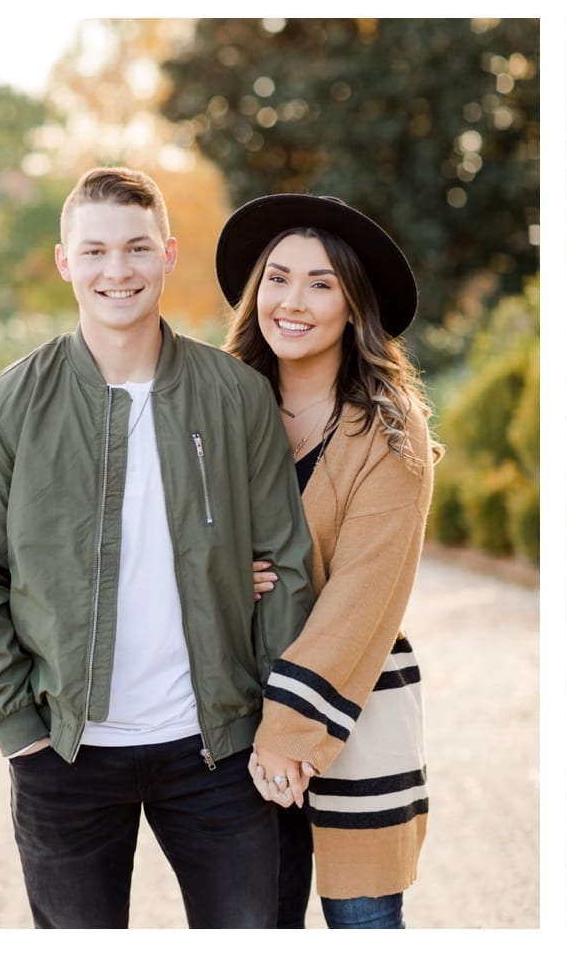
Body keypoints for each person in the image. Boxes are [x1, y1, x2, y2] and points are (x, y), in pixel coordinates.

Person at [0, 166, 316, 928]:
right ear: (64, 260)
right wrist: (21, 731)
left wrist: (278, 720)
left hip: (217, 751)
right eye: (97, 250)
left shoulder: (234, 394)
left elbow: (290, 562)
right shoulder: (7, 406)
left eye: (137, 248)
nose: (118, 271)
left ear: (169, 255)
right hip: (65, 757)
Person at [217, 193, 440, 929]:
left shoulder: (388, 424)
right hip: (234, 714)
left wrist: (289, 730)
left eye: (321, 283)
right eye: (278, 278)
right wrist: (219, 573)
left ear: (353, 306)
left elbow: (365, 592)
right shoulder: (216, 408)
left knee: (365, 924)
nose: (293, 300)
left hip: (355, 708)